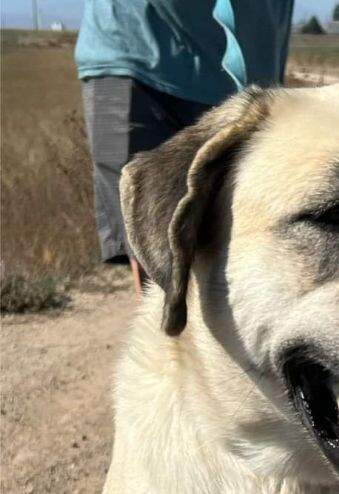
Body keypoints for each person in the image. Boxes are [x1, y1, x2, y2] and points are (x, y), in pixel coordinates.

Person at [76, 0, 294, 293]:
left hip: (251, 62)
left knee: (254, 239)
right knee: (155, 241)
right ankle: (170, 331)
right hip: (133, 50)